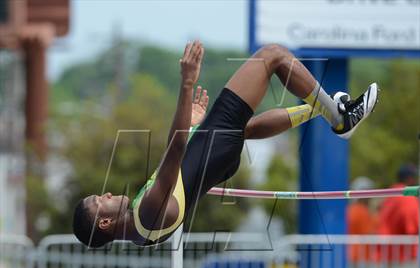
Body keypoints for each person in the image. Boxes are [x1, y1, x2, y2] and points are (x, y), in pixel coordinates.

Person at [73, 41, 379, 248]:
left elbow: (179, 165)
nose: (109, 193)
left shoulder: (141, 227)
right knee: (272, 55)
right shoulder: (146, 217)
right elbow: (175, 151)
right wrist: (186, 83)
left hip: (213, 153)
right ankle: (340, 119)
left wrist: (193, 126)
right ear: (105, 223)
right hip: (211, 150)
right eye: (101, 199)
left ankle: (324, 108)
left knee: (245, 128)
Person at [377, 164, 418, 268]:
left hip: (388, 252)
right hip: (404, 253)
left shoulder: (390, 194)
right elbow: (412, 227)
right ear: (409, 178)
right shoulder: (407, 196)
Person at [346, 177, 377, 268]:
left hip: (352, 254)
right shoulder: (362, 212)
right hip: (360, 256)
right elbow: (370, 233)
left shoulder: (350, 210)